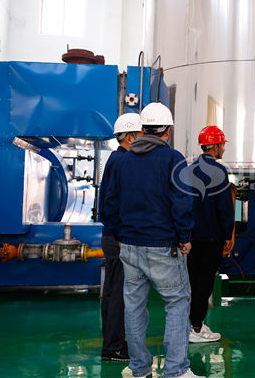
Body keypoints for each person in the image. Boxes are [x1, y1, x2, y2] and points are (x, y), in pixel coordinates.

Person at [102, 102, 202, 378]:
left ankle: (139, 368)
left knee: (134, 307)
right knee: (177, 302)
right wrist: (185, 237)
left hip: (129, 246)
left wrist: (118, 235)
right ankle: (176, 370)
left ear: (142, 130)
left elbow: (110, 202)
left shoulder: (123, 161)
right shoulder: (173, 159)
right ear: (168, 131)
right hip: (163, 245)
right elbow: (181, 203)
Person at [99, 112, 142, 362]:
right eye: (141, 134)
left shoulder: (116, 159)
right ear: (130, 137)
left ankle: (113, 343)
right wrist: (119, 234)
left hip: (113, 235)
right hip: (117, 238)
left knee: (113, 292)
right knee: (117, 294)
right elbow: (113, 202)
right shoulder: (122, 161)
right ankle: (113, 347)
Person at [187, 126, 234, 343]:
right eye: (222, 144)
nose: (223, 148)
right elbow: (224, 206)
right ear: (215, 146)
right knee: (204, 283)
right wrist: (228, 233)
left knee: (192, 281)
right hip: (212, 237)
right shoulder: (219, 171)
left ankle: (189, 324)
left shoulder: (189, 169)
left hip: (191, 237)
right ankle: (197, 328)